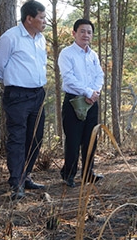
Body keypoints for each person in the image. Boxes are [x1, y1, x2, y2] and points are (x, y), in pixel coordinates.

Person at [0, 0, 48, 200]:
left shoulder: (41, 39)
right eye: (41, 17)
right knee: (17, 138)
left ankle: (26, 175)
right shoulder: (11, 38)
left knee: (36, 137)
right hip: (17, 95)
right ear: (29, 18)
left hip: (38, 94)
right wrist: (14, 82)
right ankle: (16, 181)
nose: (44, 21)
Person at [58, 19, 105, 188]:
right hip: (74, 101)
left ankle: (88, 173)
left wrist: (94, 92)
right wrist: (87, 92)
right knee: (73, 139)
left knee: (90, 138)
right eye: (82, 31)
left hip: (92, 101)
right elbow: (69, 78)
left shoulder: (93, 55)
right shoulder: (67, 53)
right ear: (74, 33)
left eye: (89, 32)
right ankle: (68, 174)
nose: (86, 35)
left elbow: (99, 75)